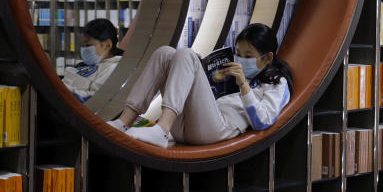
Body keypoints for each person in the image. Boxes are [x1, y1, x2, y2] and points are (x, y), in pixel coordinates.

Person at [107, 23, 293, 149]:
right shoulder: (233, 69)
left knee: (187, 55)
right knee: (165, 53)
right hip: (188, 125)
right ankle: (125, 121)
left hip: (217, 129)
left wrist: (243, 84)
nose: (240, 60)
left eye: (248, 56)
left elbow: (263, 121)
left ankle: (161, 130)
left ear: (268, 58)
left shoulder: (277, 82)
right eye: (238, 54)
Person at [63, 19, 124, 102]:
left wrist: (63, 89)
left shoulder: (115, 69)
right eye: (82, 45)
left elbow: (94, 100)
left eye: (88, 45)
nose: (84, 49)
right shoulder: (83, 65)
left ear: (107, 45)